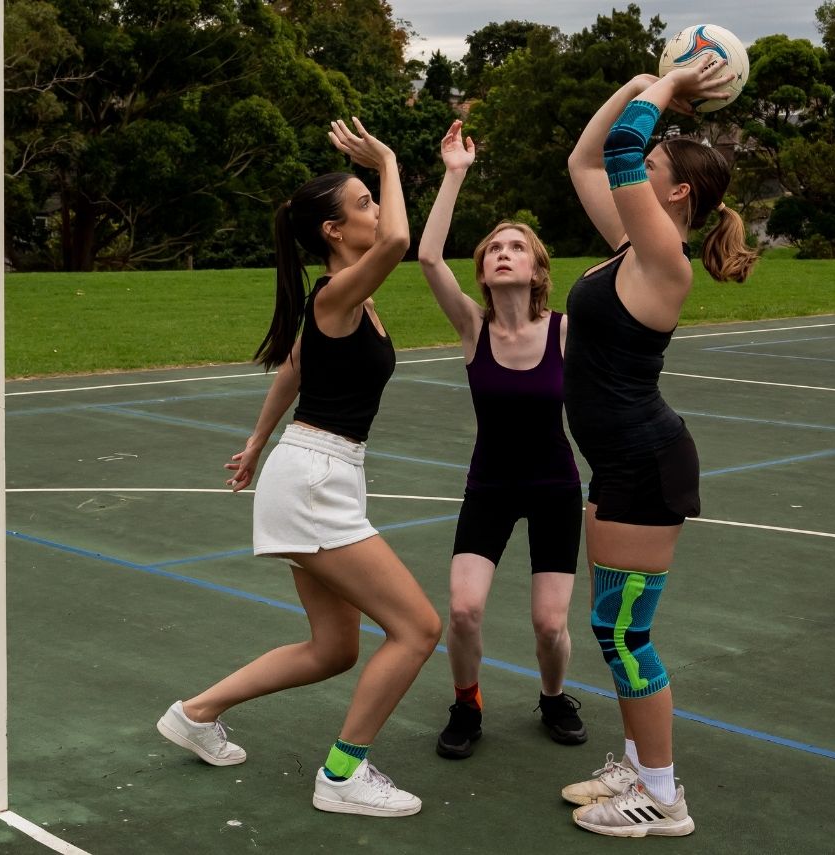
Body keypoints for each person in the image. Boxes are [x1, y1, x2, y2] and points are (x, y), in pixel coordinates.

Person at [156, 119, 443, 818]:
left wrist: (255, 442)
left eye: (375, 200)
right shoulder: (334, 295)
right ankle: (342, 774)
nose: (376, 212)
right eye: (363, 205)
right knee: (417, 628)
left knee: (334, 648)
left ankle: (196, 712)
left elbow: (292, 367)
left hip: (312, 472)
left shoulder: (347, 297)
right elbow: (402, 240)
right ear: (333, 232)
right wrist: (389, 161)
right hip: (316, 480)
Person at [555, 57, 757, 838]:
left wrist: (668, 93)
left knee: (625, 635)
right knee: (613, 627)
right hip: (619, 463)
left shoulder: (661, 260)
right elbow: (585, 157)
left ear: (674, 194)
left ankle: (662, 797)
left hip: (645, 461)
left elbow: (614, 158)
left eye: (653, 167)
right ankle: (640, 767)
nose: (637, 168)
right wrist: (641, 81)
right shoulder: (628, 247)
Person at [415, 120, 587, 760]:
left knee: (550, 626)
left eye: (517, 246)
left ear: (538, 265)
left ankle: (552, 697)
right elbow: (428, 257)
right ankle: (467, 703)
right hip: (488, 486)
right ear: (484, 272)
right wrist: (454, 173)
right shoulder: (471, 327)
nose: (503, 253)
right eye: (493, 249)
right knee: (462, 611)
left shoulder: (569, 332)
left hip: (554, 489)